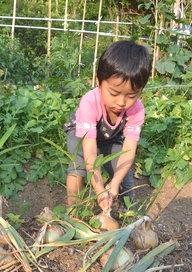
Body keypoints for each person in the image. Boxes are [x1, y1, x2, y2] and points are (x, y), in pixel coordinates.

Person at [63, 40, 152, 212]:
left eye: (132, 95)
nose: (121, 102)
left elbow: (129, 150)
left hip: (109, 137)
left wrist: (114, 183)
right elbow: (90, 151)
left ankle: (127, 214)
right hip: (81, 134)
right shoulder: (89, 103)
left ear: (141, 90)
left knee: (124, 177)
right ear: (98, 81)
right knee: (78, 166)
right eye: (114, 93)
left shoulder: (137, 110)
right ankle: (72, 212)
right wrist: (99, 189)